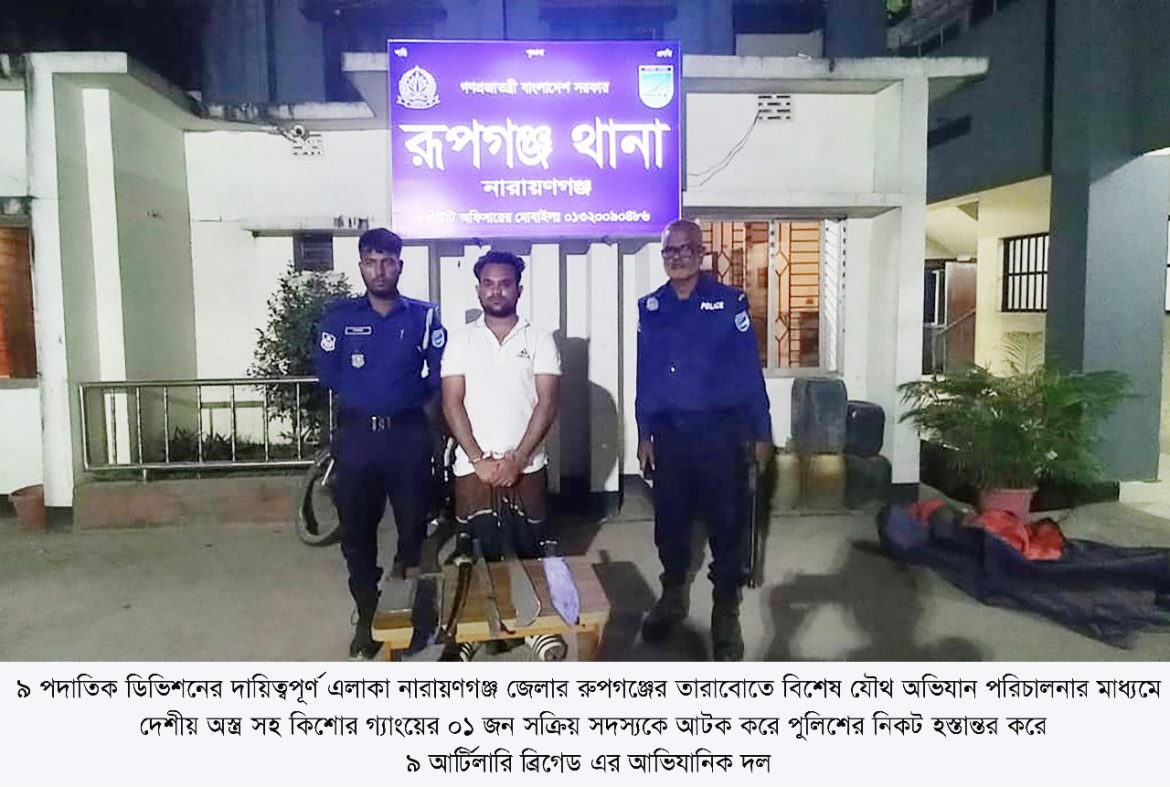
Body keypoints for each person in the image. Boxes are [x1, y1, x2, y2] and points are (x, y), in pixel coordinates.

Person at [635, 218, 773, 662]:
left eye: (685, 249)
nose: (677, 257)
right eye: (669, 251)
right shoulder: (651, 307)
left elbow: (749, 373)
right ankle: (673, 595)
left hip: (720, 435)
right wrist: (643, 432)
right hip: (671, 436)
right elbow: (646, 376)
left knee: (726, 524)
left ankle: (725, 610)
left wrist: (762, 431)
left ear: (700, 252)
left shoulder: (728, 303)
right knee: (670, 523)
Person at [313, 227, 446, 660]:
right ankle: (368, 615)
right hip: (357, 439)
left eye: (388, 261)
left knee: (413, 531)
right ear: (361, 266)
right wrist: (368, 397)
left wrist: (405, 398)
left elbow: (438, 373)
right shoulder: (339, 319)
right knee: (356, 533)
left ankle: (409, 609)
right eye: (371, 262)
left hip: (407, 436)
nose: (380, 270)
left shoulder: (423, 317)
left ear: (400, 266)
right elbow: (329, 374)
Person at [440, 250, 567, 661]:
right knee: (474, 553)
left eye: (505, 283)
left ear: (519, 289)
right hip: (472, 468)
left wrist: (518, 458)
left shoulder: (539, 339)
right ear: (478, 289)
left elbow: (547, 403)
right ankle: (472, 631)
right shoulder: (460, 340)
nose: (496, 291)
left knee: (530, 550)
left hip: (526, 466)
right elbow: (452, 403)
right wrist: (478, 458)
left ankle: (536, 629)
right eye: (489, 284)